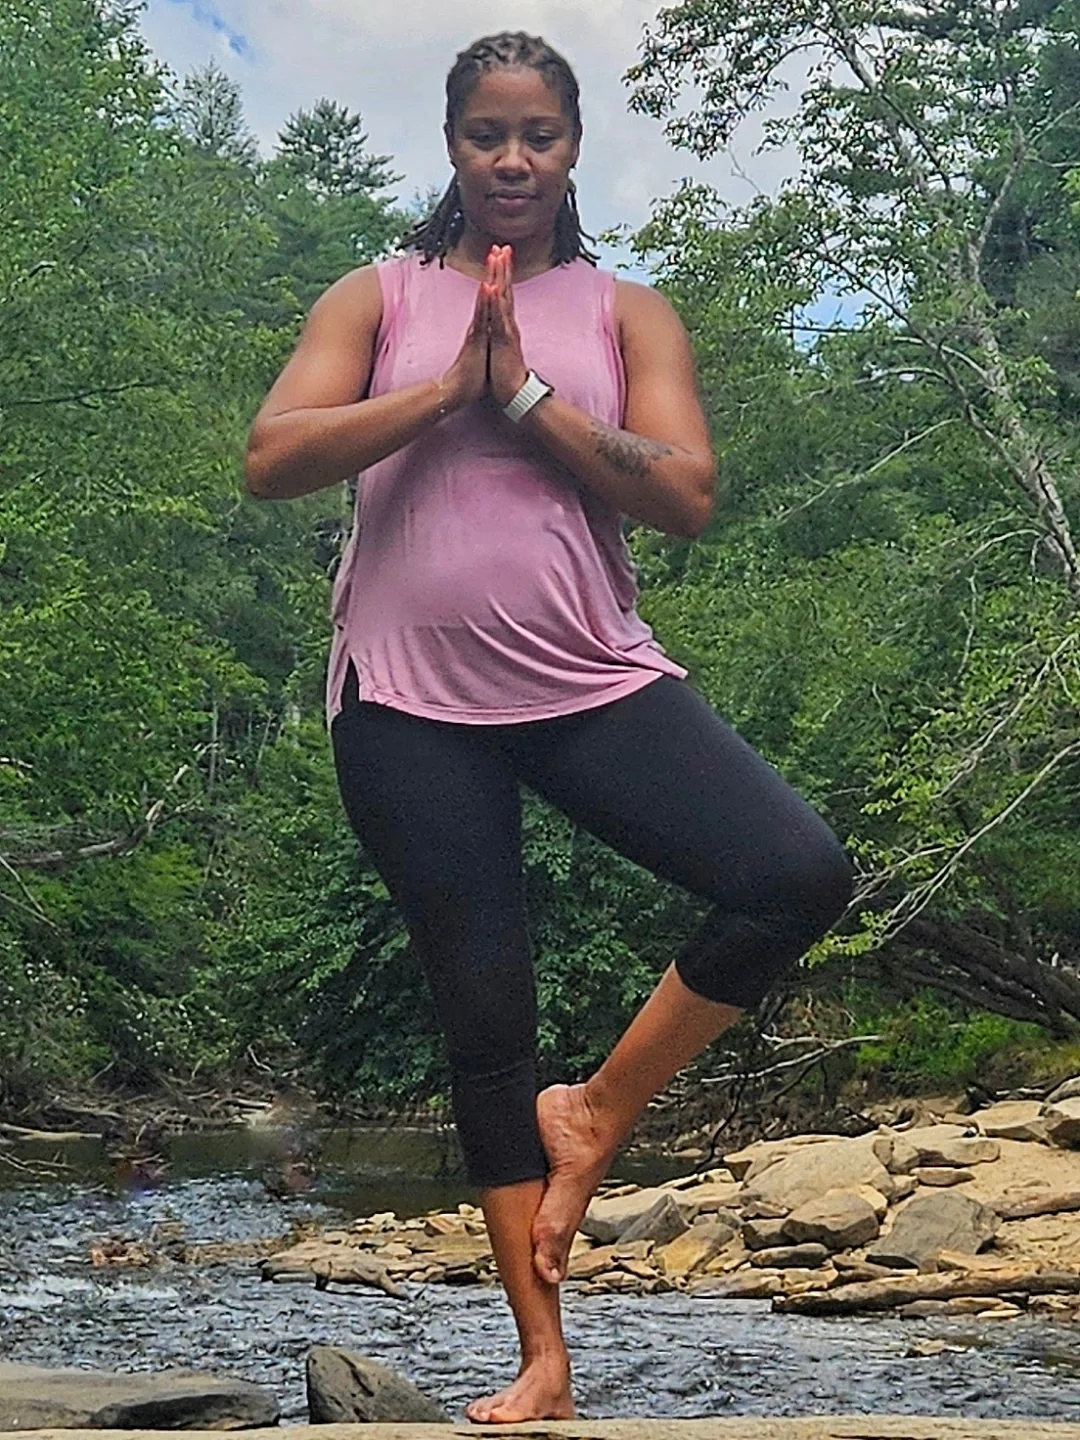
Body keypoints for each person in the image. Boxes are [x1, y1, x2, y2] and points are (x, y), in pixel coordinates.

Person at [245, 30, 853, 1424]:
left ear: (573, 150)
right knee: (484, 1012)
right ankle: (543, 1359)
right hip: (405, 706)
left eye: (539, 135)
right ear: (451, 148)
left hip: (591, 679)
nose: (512, 159)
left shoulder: (627, 315)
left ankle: (604, 1108)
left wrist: (521, 395)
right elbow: (272, 457)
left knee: (794, 872)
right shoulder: (380, 294)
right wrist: (442, 387)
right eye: (485, 135)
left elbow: (685, 493)